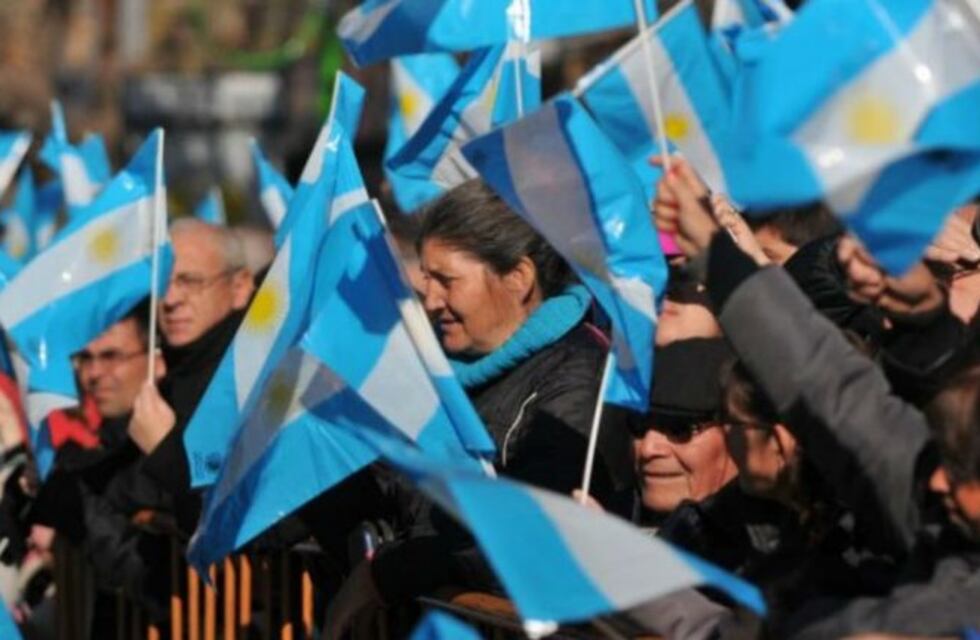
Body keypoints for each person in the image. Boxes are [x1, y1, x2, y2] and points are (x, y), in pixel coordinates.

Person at [656, 158, 980, 637]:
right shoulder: (940, 515)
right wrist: (718, 255)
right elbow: (827, 385)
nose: (934, 482)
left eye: (964, 468)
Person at [323, 180, 634, 638]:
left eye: (447, 281)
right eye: (426, 280)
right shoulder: (438, 371)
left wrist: (388, 574)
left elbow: (527, 534)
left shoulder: (580, 374)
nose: (430, 301)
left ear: (519, 277)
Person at [127, 218, 254, 532]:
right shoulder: (162, 374)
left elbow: (246, 513)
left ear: (239, 287)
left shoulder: (253, 374)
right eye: (162, 282)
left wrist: (166, 453)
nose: (170, 300)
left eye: (190, 281)